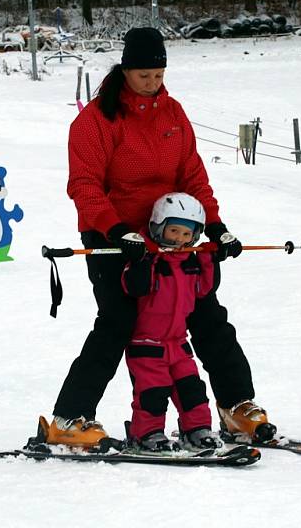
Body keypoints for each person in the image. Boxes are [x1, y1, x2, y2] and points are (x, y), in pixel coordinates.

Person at [40, 27, 274, 448]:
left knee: (207, 316)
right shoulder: (96, 120)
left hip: (174, 236)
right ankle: (69, 419)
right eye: (144, 75)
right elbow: (85, 185)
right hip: (116, 239)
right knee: (118, 323)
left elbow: (193, 175)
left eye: (159, 74)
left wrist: (217, 227)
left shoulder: (173, 113)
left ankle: (237, 406)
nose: (153, 82)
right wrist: (116, 229)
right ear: (126, 70)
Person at [122, 193, 224, 452]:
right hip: (146, 344)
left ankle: (197, 429)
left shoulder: (189, 263)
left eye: (186, 234)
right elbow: (134, 288)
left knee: (192, 390)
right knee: (152, 392)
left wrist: (209, 258)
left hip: (178, 342)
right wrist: (140, 258)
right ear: (158, 227)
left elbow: (204, 289)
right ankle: (147, 433)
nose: (179, 239)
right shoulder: (151, 259)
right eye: (174, 231)